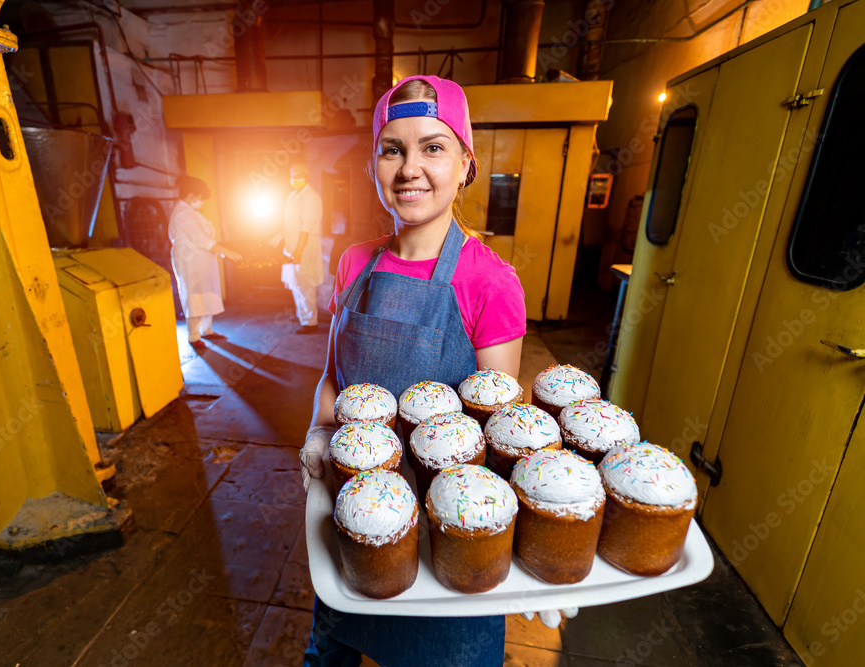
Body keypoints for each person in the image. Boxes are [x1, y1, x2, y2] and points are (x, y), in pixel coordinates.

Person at [298, 75, 576, 666]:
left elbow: (501, 432)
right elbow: (333, 379)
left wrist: (532, 549)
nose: (409, 169)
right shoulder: (353, 262)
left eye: (433, 147)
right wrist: (317, 436)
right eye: (392, 148)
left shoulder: (490, 280)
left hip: (451, 538)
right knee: (331, 651)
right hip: (362, 523)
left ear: (466, 164)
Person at [168, 175, 242, 352]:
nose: (202, 202)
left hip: (202, 261)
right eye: (201, 198)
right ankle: (194, 336)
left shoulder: (191, 212)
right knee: (195, 296)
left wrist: (220, 250)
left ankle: (206, 330)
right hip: (190, 263)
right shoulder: (182, 214)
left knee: (207, 294)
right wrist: (228, 252)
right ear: (192, 195)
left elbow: (207, 239)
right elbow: (202, 239)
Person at [281, 162, 324, 333]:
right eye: (292, 173)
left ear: (305, 175)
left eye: (297, 174)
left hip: (304, 247)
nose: (294, 177)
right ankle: (302, 316)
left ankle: (310, 323)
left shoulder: (311, 197)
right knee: (295, 283)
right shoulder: (293, 195)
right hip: (291, 245)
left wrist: (298, 252)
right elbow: (289, 223)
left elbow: (306, 229)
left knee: (306, 284)